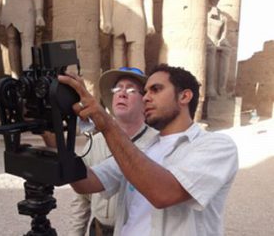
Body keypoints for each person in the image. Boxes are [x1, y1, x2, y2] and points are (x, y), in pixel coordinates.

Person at [58, 63, 238, 236]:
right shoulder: (142, 148)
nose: (146, 97)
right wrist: (58, 131)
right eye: (145, 92)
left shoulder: (217, 146)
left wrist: (107, 125)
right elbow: (88, 183)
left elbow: (163, 193)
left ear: (184, 97)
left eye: (156, 89)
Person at [68, 67, 158, 236]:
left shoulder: (157, 144)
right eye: (117, 89)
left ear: (145, 101)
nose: (122, 93)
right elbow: (82, 198)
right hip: (98, 230)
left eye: (131, 90)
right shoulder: (94, 142)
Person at [0, 0, 45, 78]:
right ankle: (15, 78)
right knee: (11, 40)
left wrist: (39, 14)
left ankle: (28, 76)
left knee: (27, 40)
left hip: (26, 5)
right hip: (8, 6)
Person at [101, 0, 155, 71]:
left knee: (137, 51)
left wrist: (150, 22)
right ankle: (118, 80)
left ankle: (137, 79)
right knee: (118, 51)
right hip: (118, 15)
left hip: (137, 17)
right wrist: (107, 20)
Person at [206, 0, 232, 98]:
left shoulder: (223, 17)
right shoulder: (204, 13)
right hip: (207, 41)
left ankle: (222, 87)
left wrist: (221, 41)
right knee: (211, 49)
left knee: (227, 51)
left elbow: (223, 35)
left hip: (216, 41)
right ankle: (210, 86)